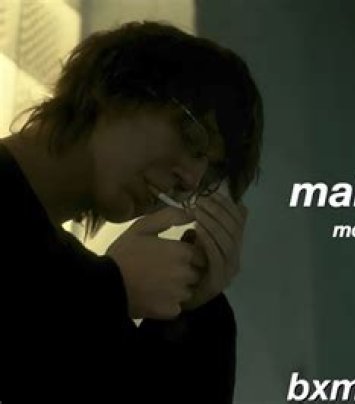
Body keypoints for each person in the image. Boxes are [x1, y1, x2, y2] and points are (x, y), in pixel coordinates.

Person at [0, 20, 263, 404]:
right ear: (117, 87)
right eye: (192, 137)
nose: (190, 181)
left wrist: (194, 314)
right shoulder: (80, 287)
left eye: (208, 179)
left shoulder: (74, 286)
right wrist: (109, 287)